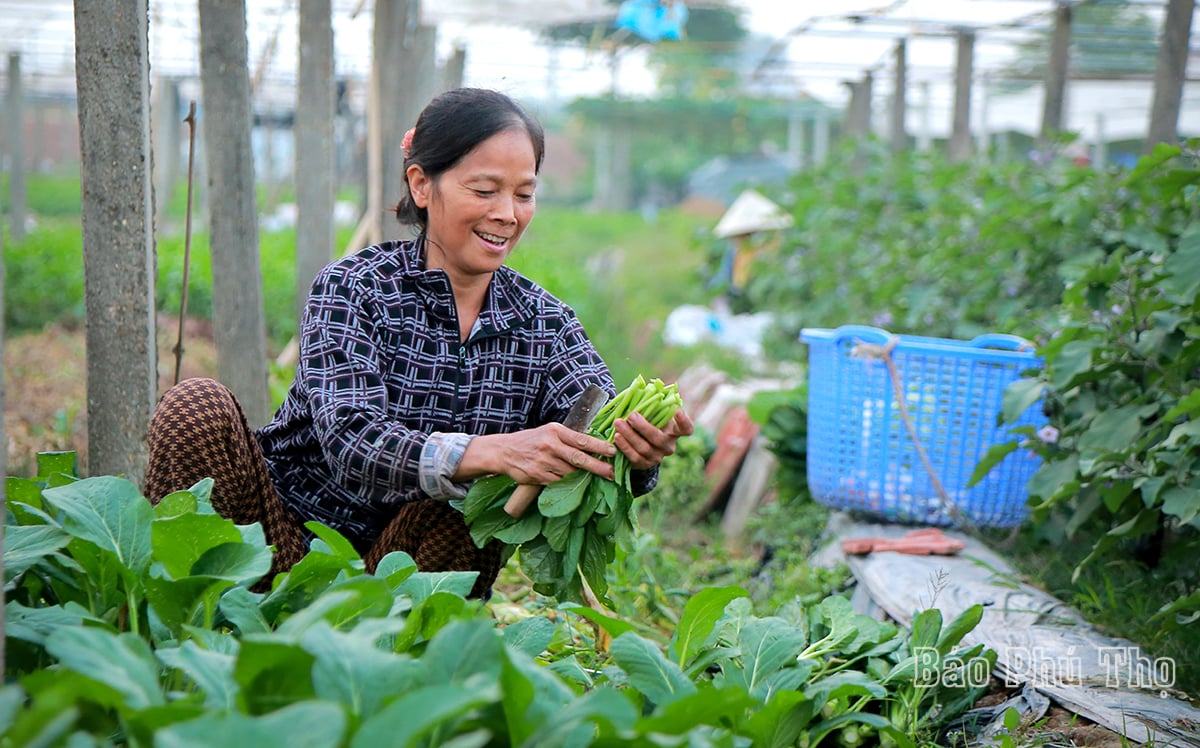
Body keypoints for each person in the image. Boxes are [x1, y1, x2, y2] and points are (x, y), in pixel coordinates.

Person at [144, 87, 694, 599]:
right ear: (422, 184)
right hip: (276, 542)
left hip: (406, 580)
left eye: (524, 194)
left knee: (466, 502)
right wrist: (492, 451)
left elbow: (589, 425)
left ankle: (405, 670)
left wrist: (637, 453)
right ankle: (180, 617)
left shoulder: (545, 325)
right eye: (484, 190)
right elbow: (352, 440)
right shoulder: (356, 288)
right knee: (196, 407)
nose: (507, 213)